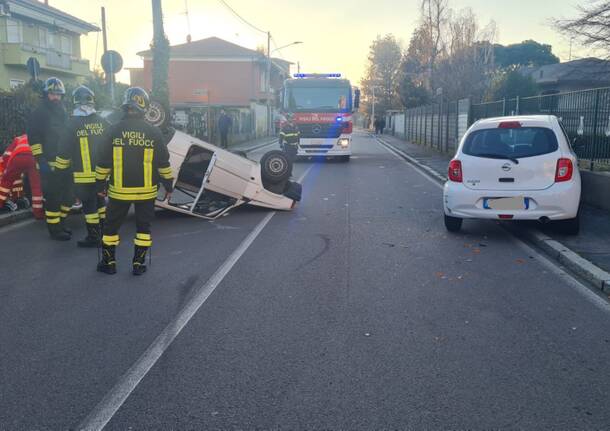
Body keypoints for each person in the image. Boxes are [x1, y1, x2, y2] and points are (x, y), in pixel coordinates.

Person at [95, 87, 174, 276]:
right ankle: (138, 265)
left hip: (119, 192)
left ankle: (109, 263)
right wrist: (168, 185)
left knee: (111, 227)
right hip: (146, 192)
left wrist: (100, 185)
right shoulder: (154, 132)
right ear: (144, 107)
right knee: (143, 228)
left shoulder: (113, 130)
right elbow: (163, 163)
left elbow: (103, 161)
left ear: (125, 106)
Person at [55, 86, 110, 248]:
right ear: (92, 101)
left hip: (83, 176)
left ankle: (93, 237)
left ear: (75, 102)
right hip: (102, 174)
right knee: (100, 203)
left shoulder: (72, 124)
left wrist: (59, 172)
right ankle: (104, 233)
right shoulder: (102, 122)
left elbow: (63, 151)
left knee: (89, 206)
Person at [27, 77, 70, 240]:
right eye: (52, 94)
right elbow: (34, 137)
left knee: (68, 196)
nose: (56, 97)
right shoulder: (39, 112)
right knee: (53, 198)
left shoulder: (62, 110)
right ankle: (55, 230)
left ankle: (61, 224)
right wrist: (40, 159)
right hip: (48, 163)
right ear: (46, 94)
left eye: (58, 94)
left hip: (64, 162)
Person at [0, 135, 44, 219]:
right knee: (36, 187)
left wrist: (6, 167)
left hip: (18, 158)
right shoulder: (39, 136)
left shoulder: (18, 139)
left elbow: (7, 154)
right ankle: (38, 213)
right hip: (33, 158)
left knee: (6, 181)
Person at [279, 113, 300, 177]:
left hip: (294, 146)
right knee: (288, 160)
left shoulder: (296, 127)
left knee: (292, 160)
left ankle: (289, 172)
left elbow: (298, 135)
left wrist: (298, 144)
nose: (291, 119)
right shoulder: (285, 127)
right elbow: (281, 136)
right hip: (287, 146)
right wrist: (280, 143)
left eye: (292, 118)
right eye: (290, 118)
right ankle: (288, 173)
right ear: (288, 120)